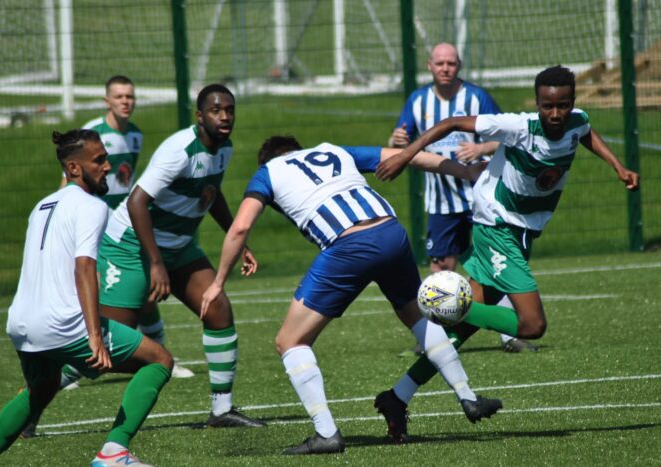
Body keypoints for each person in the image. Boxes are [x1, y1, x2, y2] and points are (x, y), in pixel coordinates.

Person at [373, 65, 640, 441]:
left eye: (563, 105)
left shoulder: (576, 122)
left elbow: (585, 134)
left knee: (462, 330)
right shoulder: (519, 127)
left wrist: (618, 166)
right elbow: (450, 123)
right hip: (497, 227)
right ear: (537, 103)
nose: (556, 114)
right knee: (532, 325)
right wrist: (404, 156)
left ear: (573, 103)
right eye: (548, 106)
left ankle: (397, 397)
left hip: (522, 231)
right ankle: (441, 303)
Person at [200, 136, 506, 454]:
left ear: (267, 160)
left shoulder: (269, 172)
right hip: (391, 232)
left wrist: (219, 282)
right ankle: (467, 396)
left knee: (290, 342)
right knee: (416, 315)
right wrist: (466, 172)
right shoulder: (333, 151)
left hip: (349, 246)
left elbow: (239, 227)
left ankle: (326, 433)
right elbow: (409, 156)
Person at [0, 129, 173, 466]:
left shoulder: (41, 206)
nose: (107, 166)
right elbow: (84, 268)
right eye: (99, 160)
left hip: (21, 323)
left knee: (41, 389)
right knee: (159, 360)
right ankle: (114, 452)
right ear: (75, 168)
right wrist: (95, 335)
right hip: (64, 323)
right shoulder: (92, 207)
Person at [95, 83, 264, 428]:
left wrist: (239, 238)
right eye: (216, 110)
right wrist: (156, 264)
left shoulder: (224, 149)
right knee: (107, 344)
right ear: (199, 116)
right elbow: (136, 201)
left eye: (229, 110)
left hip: (180, 244)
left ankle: (221, 410)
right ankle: (32, 403)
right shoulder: (180, 150)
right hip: (131, 245)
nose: (225, 116)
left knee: (217, 309)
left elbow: (210, 193)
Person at [389, 42, 534, 353]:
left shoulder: (477, 97)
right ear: (429, 65)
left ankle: (511, 334)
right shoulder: (417, 101)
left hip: (482, 199)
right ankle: (438, 337)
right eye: (439, 63)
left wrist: (481, 148)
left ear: (459, 66)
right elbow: (402, 140)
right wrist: (396, 139)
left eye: (451, 63)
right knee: (441, 267)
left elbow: (509, 137)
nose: (445, 68)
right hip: (441, 201)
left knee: (499, 264)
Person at [54, 76, 192, 396]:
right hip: (96, 226)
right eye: (119, 97)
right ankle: (73, 363)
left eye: (130, 96)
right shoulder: (92, 135)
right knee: (99, 294)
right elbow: (68, 181)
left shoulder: (135, 136)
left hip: (125, 224)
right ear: (107, 101)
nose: (125, 101)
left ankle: (160, 354)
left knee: (143, 288)